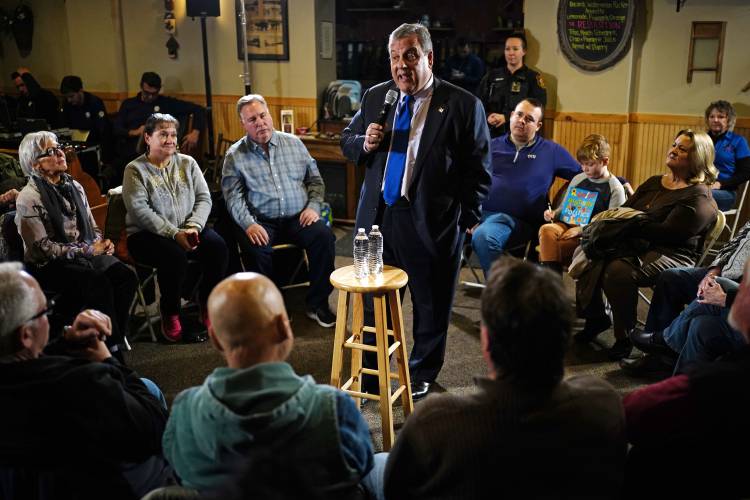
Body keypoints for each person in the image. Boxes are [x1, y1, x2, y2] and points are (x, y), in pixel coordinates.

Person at [381, 258, 625, 499]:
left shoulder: (433, 424)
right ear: (565, 336)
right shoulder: (604, 405)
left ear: (486, 340)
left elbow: (396, 490)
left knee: (377, 463)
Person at [340, 22, 492, 400]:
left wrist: (462, 220)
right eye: (394, 57)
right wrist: (365, 142)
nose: (401, 66)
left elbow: (480, 172)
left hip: (431, 222)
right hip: (379, 219)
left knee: (430, 303)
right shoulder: (378, 96)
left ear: (428, 57)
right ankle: (373, 370)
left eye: (409, 55)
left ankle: (423, 370)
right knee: (375, 303)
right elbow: (348, 141)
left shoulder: (462, 104)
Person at [162, 272, 374, 494]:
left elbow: (178, 474)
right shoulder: (332, 407)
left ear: (215, 338)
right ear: (283, 327)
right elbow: (361, 465)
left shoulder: (184, 411)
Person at [0, 262, 171, 500]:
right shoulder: (80, 383)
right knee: (150, 392)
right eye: (45, 311)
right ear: (26, 335)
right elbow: (157, 426)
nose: (49, 318)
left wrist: (66, 341)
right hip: (105, 483)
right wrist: (108, 361)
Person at [575, 129, 718, 360]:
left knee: (617, 270)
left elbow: (668, 234)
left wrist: (633, 223)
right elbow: (624, 212)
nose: (673, 150)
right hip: (638, 243)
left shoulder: (699, 197)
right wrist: (630, 223)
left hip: (672, 253)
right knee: (593, 250)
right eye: (674, 144)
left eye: (682, 149)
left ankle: (625, 337)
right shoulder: (654, 182)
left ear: (698, 158)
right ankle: (596, 318)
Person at [621, 260, 750, 499]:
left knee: (645, 457)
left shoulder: (726, 380)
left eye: (746, 290)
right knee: (702, 327)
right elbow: (730, 257)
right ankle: (673, 377)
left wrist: (728, 298)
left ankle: (664, 343)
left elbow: (630, 416)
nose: (743, 292)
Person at [14, 131, 137, 356]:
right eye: (50, 151)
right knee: (98, 283)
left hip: (82, 254)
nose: (61, 153)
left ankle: (108, 335)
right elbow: (43, 249)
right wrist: (90, 249)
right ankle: (113, 350)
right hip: (46, 266)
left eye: (59, 147)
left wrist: (103, 243)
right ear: (35, 163)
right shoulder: (28, 198)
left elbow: (93, 229)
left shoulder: (75, 187)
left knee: (125, 277)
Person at [222, 94, 336, 328]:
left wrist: (314, 207)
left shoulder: (294, 143)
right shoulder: (235, 155)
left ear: (270, 115)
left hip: (298, 217)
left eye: (263, 116)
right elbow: (233, 197)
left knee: (323, 237)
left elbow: (316, 181)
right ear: (243, 124)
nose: (260, 122)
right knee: (256, 249)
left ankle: (318, 302)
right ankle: (270, 306)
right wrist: (249, 224)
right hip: (261, 220)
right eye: (252, 119)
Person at [123, 113, 227, 343]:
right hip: (146, 235)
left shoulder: (188, 163)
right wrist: (174, 233)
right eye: (163, 134)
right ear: (148, 138)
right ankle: (170, 312)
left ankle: (207, 306)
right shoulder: (135, 170)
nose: (170, 139)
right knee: (174, 257)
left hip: (188, 228)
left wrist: (193, 227)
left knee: (218, 247)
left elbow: (204, 198)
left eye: (173, 134)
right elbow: (140, 211)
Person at [624, 218, 750, 374]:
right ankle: (656, 356)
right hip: (725, 274)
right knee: (671, 278)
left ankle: (664, 342)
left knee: (703, 319)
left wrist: (727, 298)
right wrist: (712, 272)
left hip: (740, 290)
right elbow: (733, 244)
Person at [470, 98, 580, 276]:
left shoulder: (551, 151)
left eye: (529, 119)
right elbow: (469, 179)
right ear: (512, 116)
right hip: (480, 215)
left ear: (538, 126)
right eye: (519, 115)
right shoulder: (491, 145)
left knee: (484, 237)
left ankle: (502, 295)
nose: (522, 121)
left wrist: (618, 181)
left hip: (515, 221)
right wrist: (469, 214)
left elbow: (584, 175)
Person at [539, 134, 626, 272]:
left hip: (591, 236)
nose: (585, 169)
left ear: (605, 161)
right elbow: (565, 208)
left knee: (554, 247)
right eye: (582, 164)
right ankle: (553, 284)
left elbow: (611, 225)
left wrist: (581, 230)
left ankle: (552, 285)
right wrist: (553, 214)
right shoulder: (578, 179)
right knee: (546, 230)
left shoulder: (615, 188)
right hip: (568, 225)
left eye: (590, 164)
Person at [113, 71, 205, 183]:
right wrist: (134, 132)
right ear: (141, 86)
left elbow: (199, 109)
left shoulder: (165, 103)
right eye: (147, 93)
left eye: (154, 93)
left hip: (158, 155)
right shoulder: (128, 104)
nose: (150, 97)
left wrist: (195, 132)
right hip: (131, 151)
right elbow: (116, 129)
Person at [478, 32, 547, 138]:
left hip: (521, 135)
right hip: (492, 134)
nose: (511, 53)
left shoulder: (532, 78)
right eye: (507, 49)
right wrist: (487, 116)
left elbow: (538, 108)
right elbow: (478, 102)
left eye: (515, 49)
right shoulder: (492, 76)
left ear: (524, 51)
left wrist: (506, 117)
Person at [704, 100, 750, 211]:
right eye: (712, 116)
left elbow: (747, 172)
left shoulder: (739, 141)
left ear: (729, 120)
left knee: (696, 195)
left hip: (725, 193)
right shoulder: (701, 139)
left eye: (720, 117)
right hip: (699, 187)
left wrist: (720, 184)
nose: (715, 120)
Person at [60, 75, 114, 162]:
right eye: (66, 97)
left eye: (71, 96)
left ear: (80, 91)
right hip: (74, 146)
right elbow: (64, 126)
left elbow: (103, 131)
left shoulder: (94, 103)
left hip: (93, 146)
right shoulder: (67, 105)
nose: (69, 100)